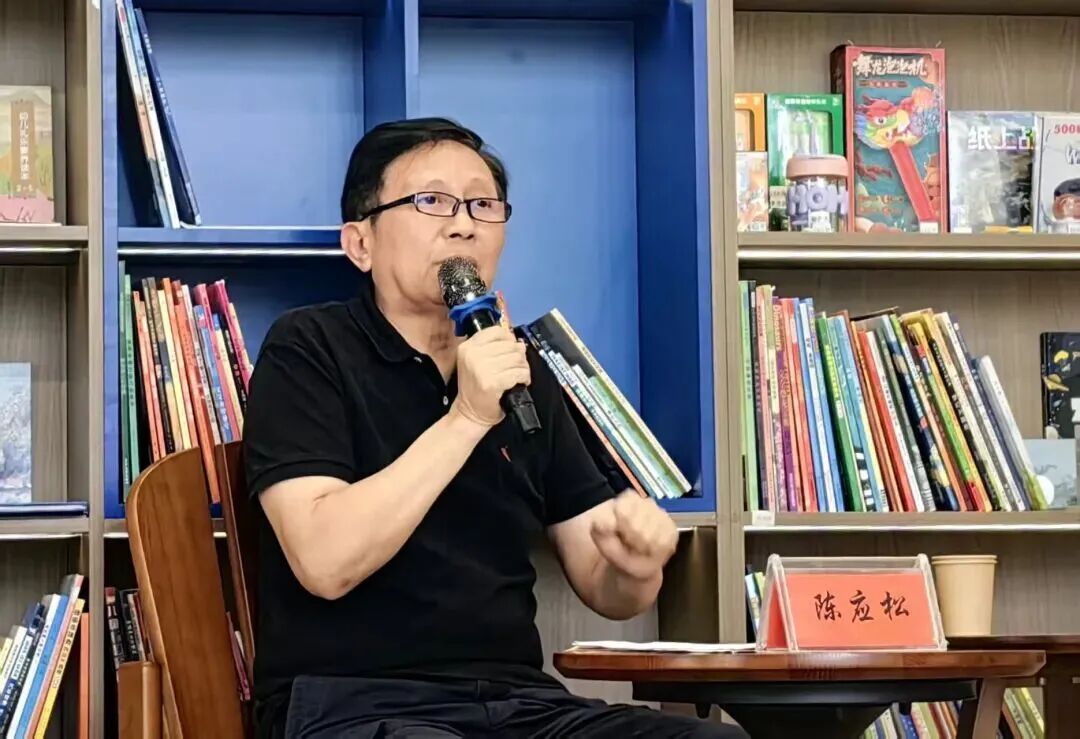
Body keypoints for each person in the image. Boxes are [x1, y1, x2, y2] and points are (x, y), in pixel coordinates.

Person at [243, 117, 746, 739]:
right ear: (360, 243)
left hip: (520, 705)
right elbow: (325, 562)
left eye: (483, 205)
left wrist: (637, 565)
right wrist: (469, 416)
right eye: (431, 201)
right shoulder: (308, 348)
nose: (464, 225)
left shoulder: (519, 367)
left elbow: (605, 586)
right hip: (354, 702)